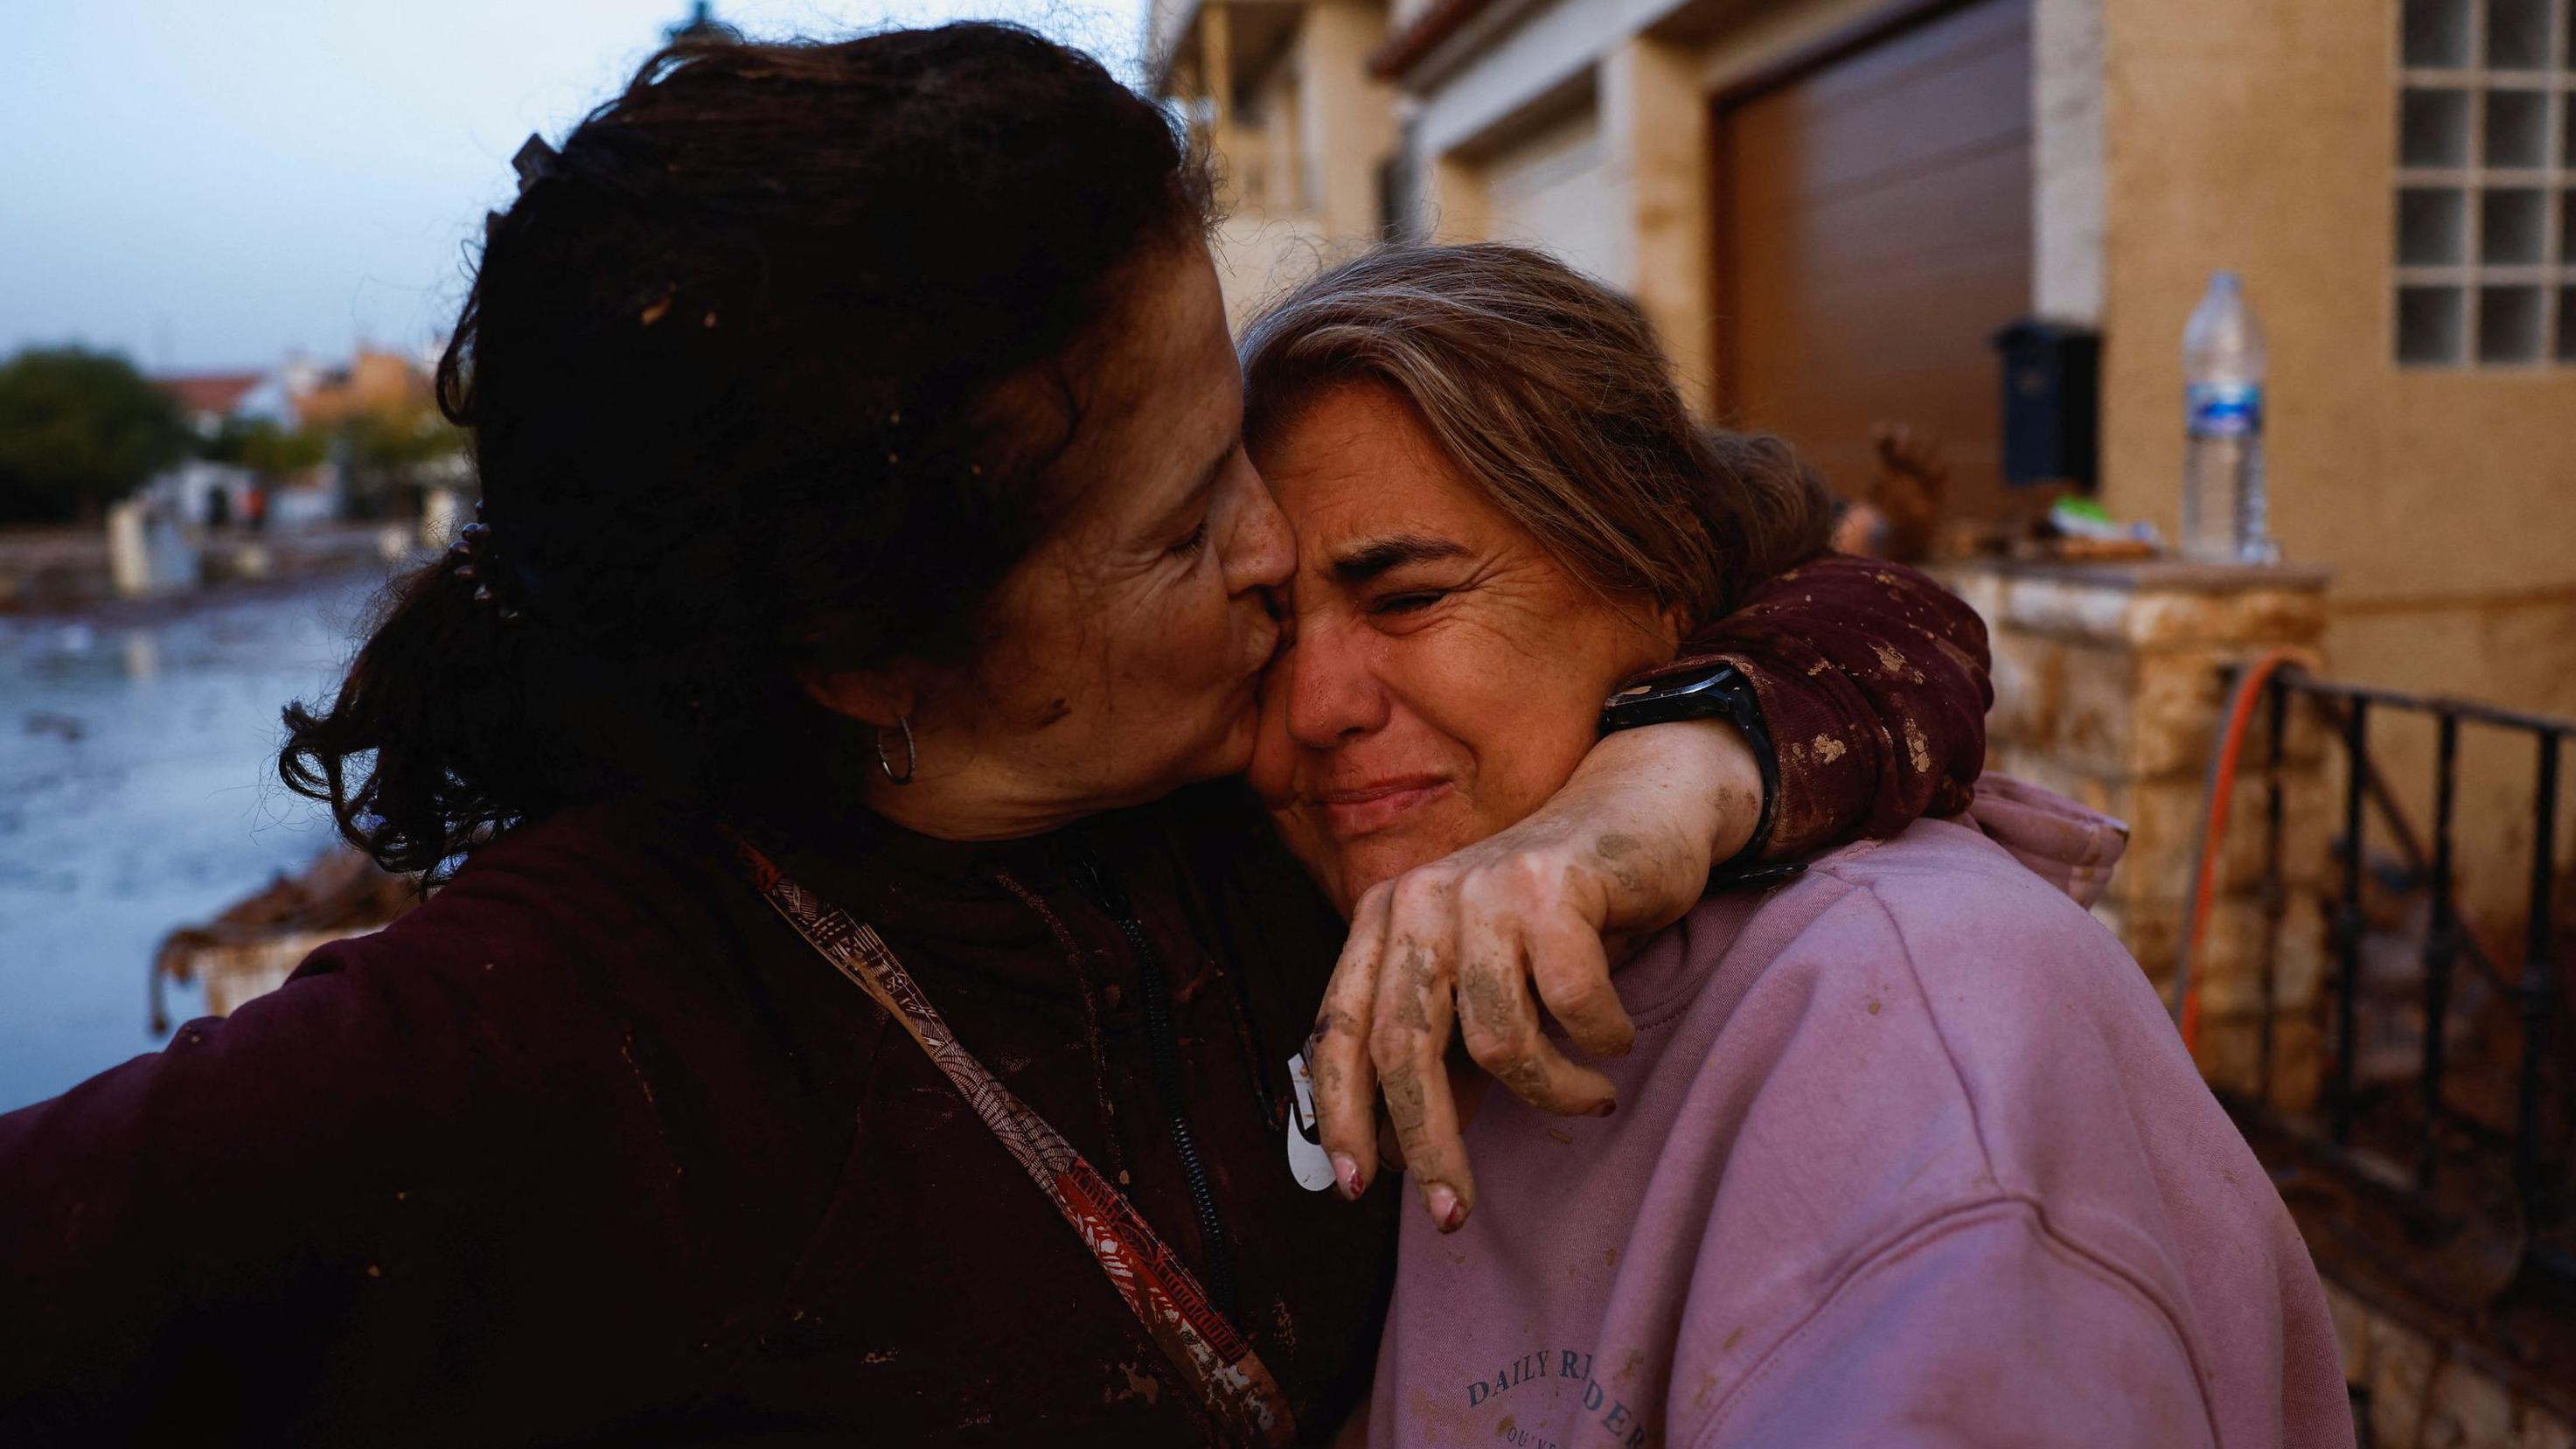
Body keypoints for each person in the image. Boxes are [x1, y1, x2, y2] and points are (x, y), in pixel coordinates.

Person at [0, 31, 1991, 1446]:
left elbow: (1857, 600)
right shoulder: (554, 1031)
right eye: (1185, 518)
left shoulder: (1233, 789)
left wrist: (1663, 781)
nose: (1272, 546)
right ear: (872, 658)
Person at [1244, 244, 2352, 1448]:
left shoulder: (1921, 1035)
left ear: (1656, 571)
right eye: (1260, 628)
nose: (1312, 705)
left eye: (1405, 597)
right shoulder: (1319, 930)